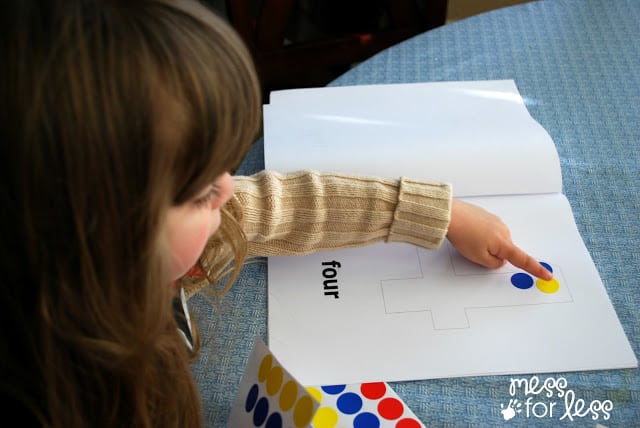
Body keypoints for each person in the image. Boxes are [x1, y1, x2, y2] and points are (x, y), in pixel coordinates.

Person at [0, 0, 552, 426]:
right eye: (197, 192)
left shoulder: (120, 244)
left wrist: (439, 213)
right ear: (91, 233)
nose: (227, 189)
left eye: (226, 164)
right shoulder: (72, 392)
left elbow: (273, 207)